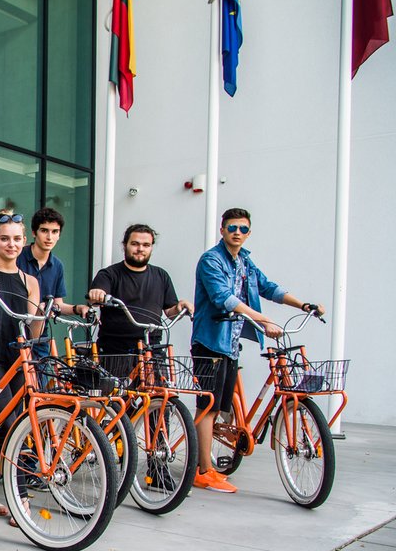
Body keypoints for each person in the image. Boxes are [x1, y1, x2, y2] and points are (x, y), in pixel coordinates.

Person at [190, 208, 324, 494]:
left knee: (221, 406)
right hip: (210, 342)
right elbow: (223, 298)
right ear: (222, 230)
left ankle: (212, 461)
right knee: (208, 407)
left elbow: (269, 288)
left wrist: (303, 305)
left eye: (243, 228)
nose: (237, 232)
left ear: (248, 233)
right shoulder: (211, 260)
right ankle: (202, 471)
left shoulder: (246, 262)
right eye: (232, 227)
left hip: (231, 343)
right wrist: (263, 320)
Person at [0, 212, 42, 523]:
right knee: (11, 423)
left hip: (18, 361)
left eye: (17, 239)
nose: (11, 244)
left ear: (24, 242)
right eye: (4, 238)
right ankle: (20, 500)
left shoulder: (30, 281)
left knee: (13, 426)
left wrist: (41, 313)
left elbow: (34, 331)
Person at [87, 224, 194, 355]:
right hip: (116, 349)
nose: (140, 249)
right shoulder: (109, 274)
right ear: (125, 245)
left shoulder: (161, 275)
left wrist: (179, 307)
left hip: (152, 346)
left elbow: (170, 312)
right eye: (135, 244)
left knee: (164, 375)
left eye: (146, 245)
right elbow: (96, 297)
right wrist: (97, 293)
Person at [18, 208, 87, 359]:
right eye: (44, 230)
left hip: (40, 332)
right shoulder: (18, 257)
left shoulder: (57, 265)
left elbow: (58, 304)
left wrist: (78, 308)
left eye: (55, 232)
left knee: (43, 378)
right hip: (15, 330)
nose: (49, 237)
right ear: (34, 232)